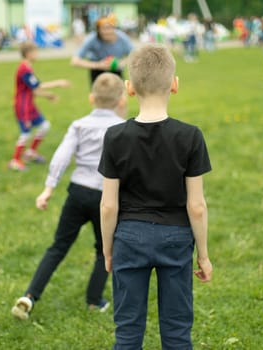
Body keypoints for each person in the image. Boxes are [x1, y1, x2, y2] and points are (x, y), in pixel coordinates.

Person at [98, 43, 213, 349]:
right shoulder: (190, 136)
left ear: (129, 88)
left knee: (127, 332)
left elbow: (109, 205)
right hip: (176, 239)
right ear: (174, 85)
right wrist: (202, 254)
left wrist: (108, 249)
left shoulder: (115, 137)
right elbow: (197, 206)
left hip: (129, 238)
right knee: (176, 331)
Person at [11, 72, 127, 320]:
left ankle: (30, 296)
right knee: (104, 250)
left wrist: (48, 189)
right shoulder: (123, 129)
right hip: (104, 199)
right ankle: (94, 301)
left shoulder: (79, 125)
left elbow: (61, 157)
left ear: (91, 98)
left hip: (76, 193)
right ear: (121, 101)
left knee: (58, 247)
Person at [9, 41, 70, 171]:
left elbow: (34, 90)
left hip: (30, 105)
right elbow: (38, 86)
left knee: (44, 125)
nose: (38, 54)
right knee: (25, 133)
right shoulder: (24, 69)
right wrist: (59, 83)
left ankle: (30, 152)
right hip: (23, 107)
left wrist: (48, 96)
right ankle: (15, 160)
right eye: (36, 52)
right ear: (28, 54)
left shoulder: (28, 67)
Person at [71, 14, 133, 85]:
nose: (107, 31)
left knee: (119, 94)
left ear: (114, 28)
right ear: (98, 30)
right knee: (99, 95)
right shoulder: (92, 39)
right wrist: (98, 65)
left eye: (109, 28)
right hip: (97, 71)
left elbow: (135, 55)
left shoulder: (123, 38)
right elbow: (75, 61)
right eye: (103, 28)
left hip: (116, 70)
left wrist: (121, 63)